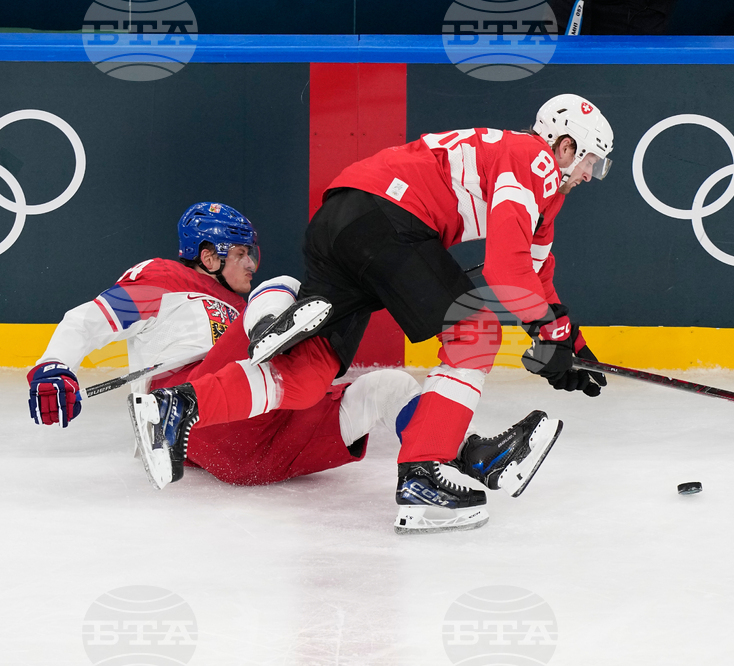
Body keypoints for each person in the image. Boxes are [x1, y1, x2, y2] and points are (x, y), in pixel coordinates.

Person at [240, 94, 614, 533]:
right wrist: (548, 333)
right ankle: (422, 472)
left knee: (313, 358)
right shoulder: (534, 160)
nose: (591, 174)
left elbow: (536, 274)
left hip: (350, 211)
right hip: (387, 216)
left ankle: (218, 371)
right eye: (592, 160)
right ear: (565, 146)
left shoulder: (542, 183)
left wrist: (572, 343)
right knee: (474, 332)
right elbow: (505, 269)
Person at [27, 202, 558, 511]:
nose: (252, 264)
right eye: (241, 253)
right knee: (290, 287)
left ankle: (468, 457)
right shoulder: (169, 280)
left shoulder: (240, 301)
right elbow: (87, 320)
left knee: (389, 387)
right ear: (208, 255)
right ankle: (226, 374)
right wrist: (55, 365)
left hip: (255, 455)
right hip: (200, 418)